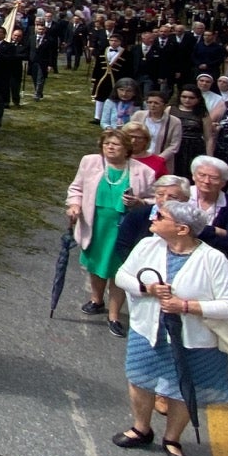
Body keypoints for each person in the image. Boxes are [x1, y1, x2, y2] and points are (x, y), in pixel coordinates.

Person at [112, 201, 228, 456]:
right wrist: (146, 288)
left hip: (194, 340)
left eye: (160, 215)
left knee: (185, 387)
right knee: (140, 378)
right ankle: (141, 429)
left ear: (182, 228)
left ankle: (172, 439)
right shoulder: (147, 245)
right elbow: (121, 276)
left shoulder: (213, 260)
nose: (153, 217)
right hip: (148, 330)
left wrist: (186, 306)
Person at [66, 128, 157, 336]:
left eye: (115, 144)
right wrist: (73, 206)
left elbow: (156, 200)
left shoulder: (143, 172)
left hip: (124, 229)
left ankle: (114, 315)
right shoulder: (89, 162)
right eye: (107, 144)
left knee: (119, 271)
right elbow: (76, 189)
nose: (110, 147)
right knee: (96, 265)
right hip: (95, 225)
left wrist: (140, 202)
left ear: (127, 149)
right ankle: (96, 300)